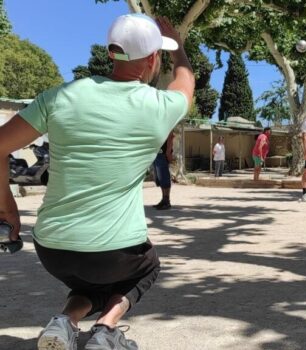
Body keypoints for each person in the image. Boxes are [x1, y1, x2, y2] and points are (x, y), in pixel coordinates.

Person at [0, 14, 194, 350]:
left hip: (52, 249)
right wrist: (178, 47)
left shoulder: (59, 97)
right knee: (144, 269)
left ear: (111, 54)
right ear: (152, 58)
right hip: (117, 252)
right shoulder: (161, 105)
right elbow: (185, 80)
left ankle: (65, 323)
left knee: (92, 280)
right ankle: (106, 331)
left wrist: (8, 207)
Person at [153, 131, 175, 210]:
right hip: (157, 153)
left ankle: (167, 201)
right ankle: (163, 199)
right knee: (159, 178)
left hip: (163, 153)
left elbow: (171, 136)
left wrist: (168, 152)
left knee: (164, 176)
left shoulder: (167, 123)